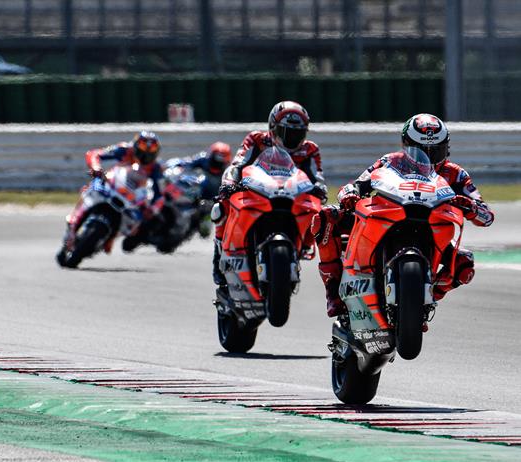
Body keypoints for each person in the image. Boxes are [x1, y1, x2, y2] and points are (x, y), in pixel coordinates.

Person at [312, 113, 494, 318]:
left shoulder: (456, 174)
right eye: (421, 150)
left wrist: (471, 207)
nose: (429, 157)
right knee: (325, 218)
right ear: (406, 145)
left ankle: (425, 301)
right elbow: (358, 184)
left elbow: (486, 216)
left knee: (464, 265)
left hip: (431, 231)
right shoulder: (390, 161)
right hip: (387, 219)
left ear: (447, 147)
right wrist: (350, 194)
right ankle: (333, 290)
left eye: (436, 151)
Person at [212, 101, 327, 286]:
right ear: (273, 128)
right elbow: (237, 164)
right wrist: (229, 184)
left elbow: (317, 176)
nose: (293, 138)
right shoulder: (256, 139)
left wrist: (320, 189)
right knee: (221, 206)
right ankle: (219, 255)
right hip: (257, 192)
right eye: (287, 132)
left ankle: (304, 244)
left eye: (298, 133)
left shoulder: (310, 149)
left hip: (292, 195)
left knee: (319, 210)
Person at [164, 141, 232, 199]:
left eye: (221, 159)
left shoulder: (230, 170)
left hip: (218, 194)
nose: (217, 162)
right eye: (216, 157)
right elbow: (186, 162)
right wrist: (173, 165)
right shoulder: (204, 159)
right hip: (201, 192)